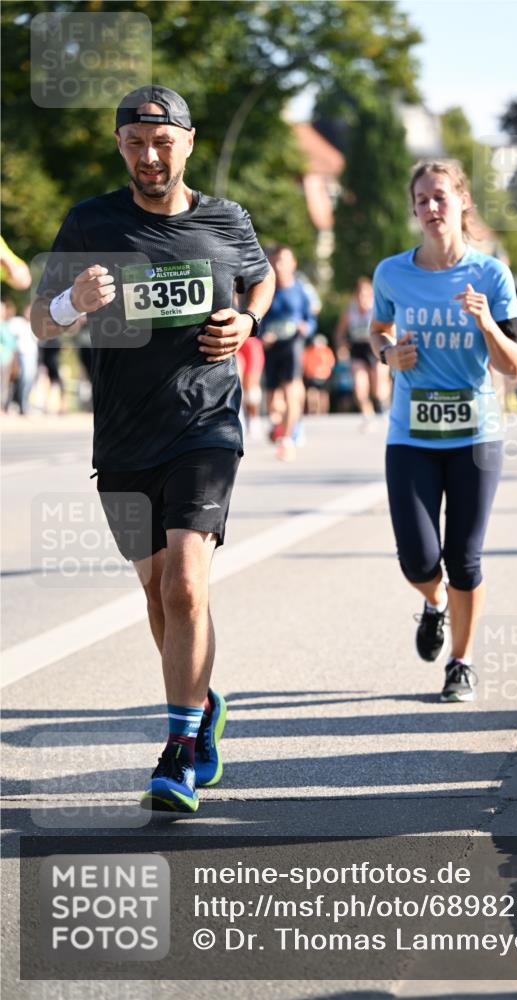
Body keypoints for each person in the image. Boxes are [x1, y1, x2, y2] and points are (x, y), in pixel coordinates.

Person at [31, 85, 275, 813]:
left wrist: (246, 324)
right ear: (120, 146)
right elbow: (39, 323)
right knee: (155, 589)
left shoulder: (227, 221)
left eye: (162, 143)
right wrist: (75, 302)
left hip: (206, 425)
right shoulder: (91, 222)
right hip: (124, 437)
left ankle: (177, 751)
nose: (149, 156)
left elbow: (259, 283)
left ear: (189, 142)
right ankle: (199, 703)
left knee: (186, 585)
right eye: (135, 143)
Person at [370, 160, 517, 702]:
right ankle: (434, 602)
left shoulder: (491, 275)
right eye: (422, 200)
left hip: (475, 435)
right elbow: (377, 330)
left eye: (440, 197)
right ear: (414, 209)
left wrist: (486, 325)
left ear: (462, 201)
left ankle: (460, 661)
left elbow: (515, 366)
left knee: (465, 558)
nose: (432, 208)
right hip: (411, 435)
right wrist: (390, 353)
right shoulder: (393, 272)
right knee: (417, 559)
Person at [260, 245, 317, 461]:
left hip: (293, 344)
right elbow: (258, 317)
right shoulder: (267, 289)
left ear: (293, 264)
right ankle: (282, 425)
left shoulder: (301, 290)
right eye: (275, 261)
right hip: (272, 347)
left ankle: (287, 438)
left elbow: (311, 319)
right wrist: (263, 334)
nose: (279, 265)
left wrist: (306, 328)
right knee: (274, 401)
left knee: (292, 388)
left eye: (284, 261)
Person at [335, 276, 390, 429]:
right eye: (359, 295)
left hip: (376, 346)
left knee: (379, 387)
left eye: (366, 295)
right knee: (360, 386)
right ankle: (368, 415)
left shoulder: (377, 309)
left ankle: (385, 409)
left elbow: (390, 328)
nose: (362, 299)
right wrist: (341, 345)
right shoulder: (350, 311)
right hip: (358, 348)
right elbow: (340, 332)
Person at [303, 333, 335, 414]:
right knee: (321, 394)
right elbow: (332, 363)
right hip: (322, 375)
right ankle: (321, 411)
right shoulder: (327, 351)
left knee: (314, 393)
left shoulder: (309, 350)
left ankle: (314, 411)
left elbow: (303, 362)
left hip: (314, 375)